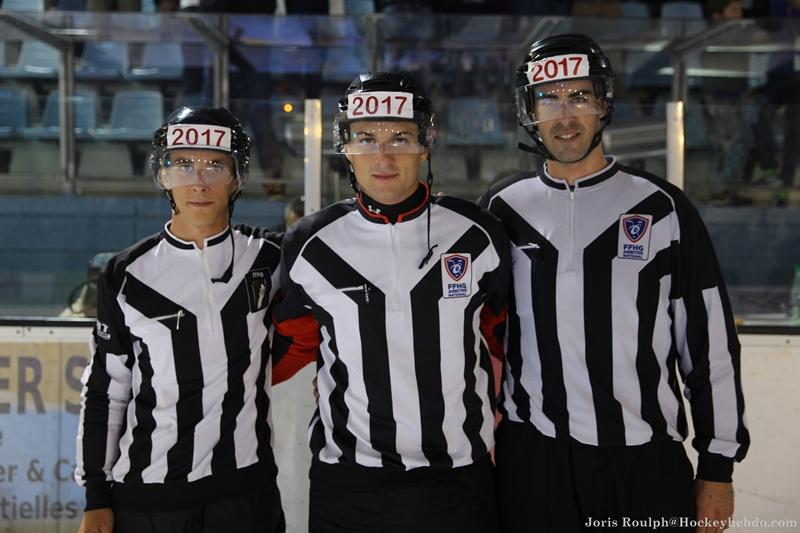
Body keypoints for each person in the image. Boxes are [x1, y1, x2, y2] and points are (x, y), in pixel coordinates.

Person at [480, 34, 750, 533]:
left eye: (579, 96)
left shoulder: (662, 208)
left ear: (604, 103)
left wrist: (718, 467)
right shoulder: (502, 208)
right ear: (529, 111)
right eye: (549, 98)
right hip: (535, 461)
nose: (565, 115)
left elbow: (709, 345)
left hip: (644, 461)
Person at [271, 71, 509, 533]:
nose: (383, 156)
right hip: (349, 486)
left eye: (400, 138)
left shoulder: (478, 233)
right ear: (345, 147)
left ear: (426, 144)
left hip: (460, 481)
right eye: (366, 139)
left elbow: (504, 337)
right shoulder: (308, 242)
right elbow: (290, 346)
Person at [74, 106, 285, 533]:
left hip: (248, 495)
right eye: (183, 164)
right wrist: (96, 495)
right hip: (149, 499)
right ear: (163, 175)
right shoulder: (125, 274)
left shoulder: (270, 258)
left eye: (215, 165)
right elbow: (106, 392)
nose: (199, 181)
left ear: (238, 176)